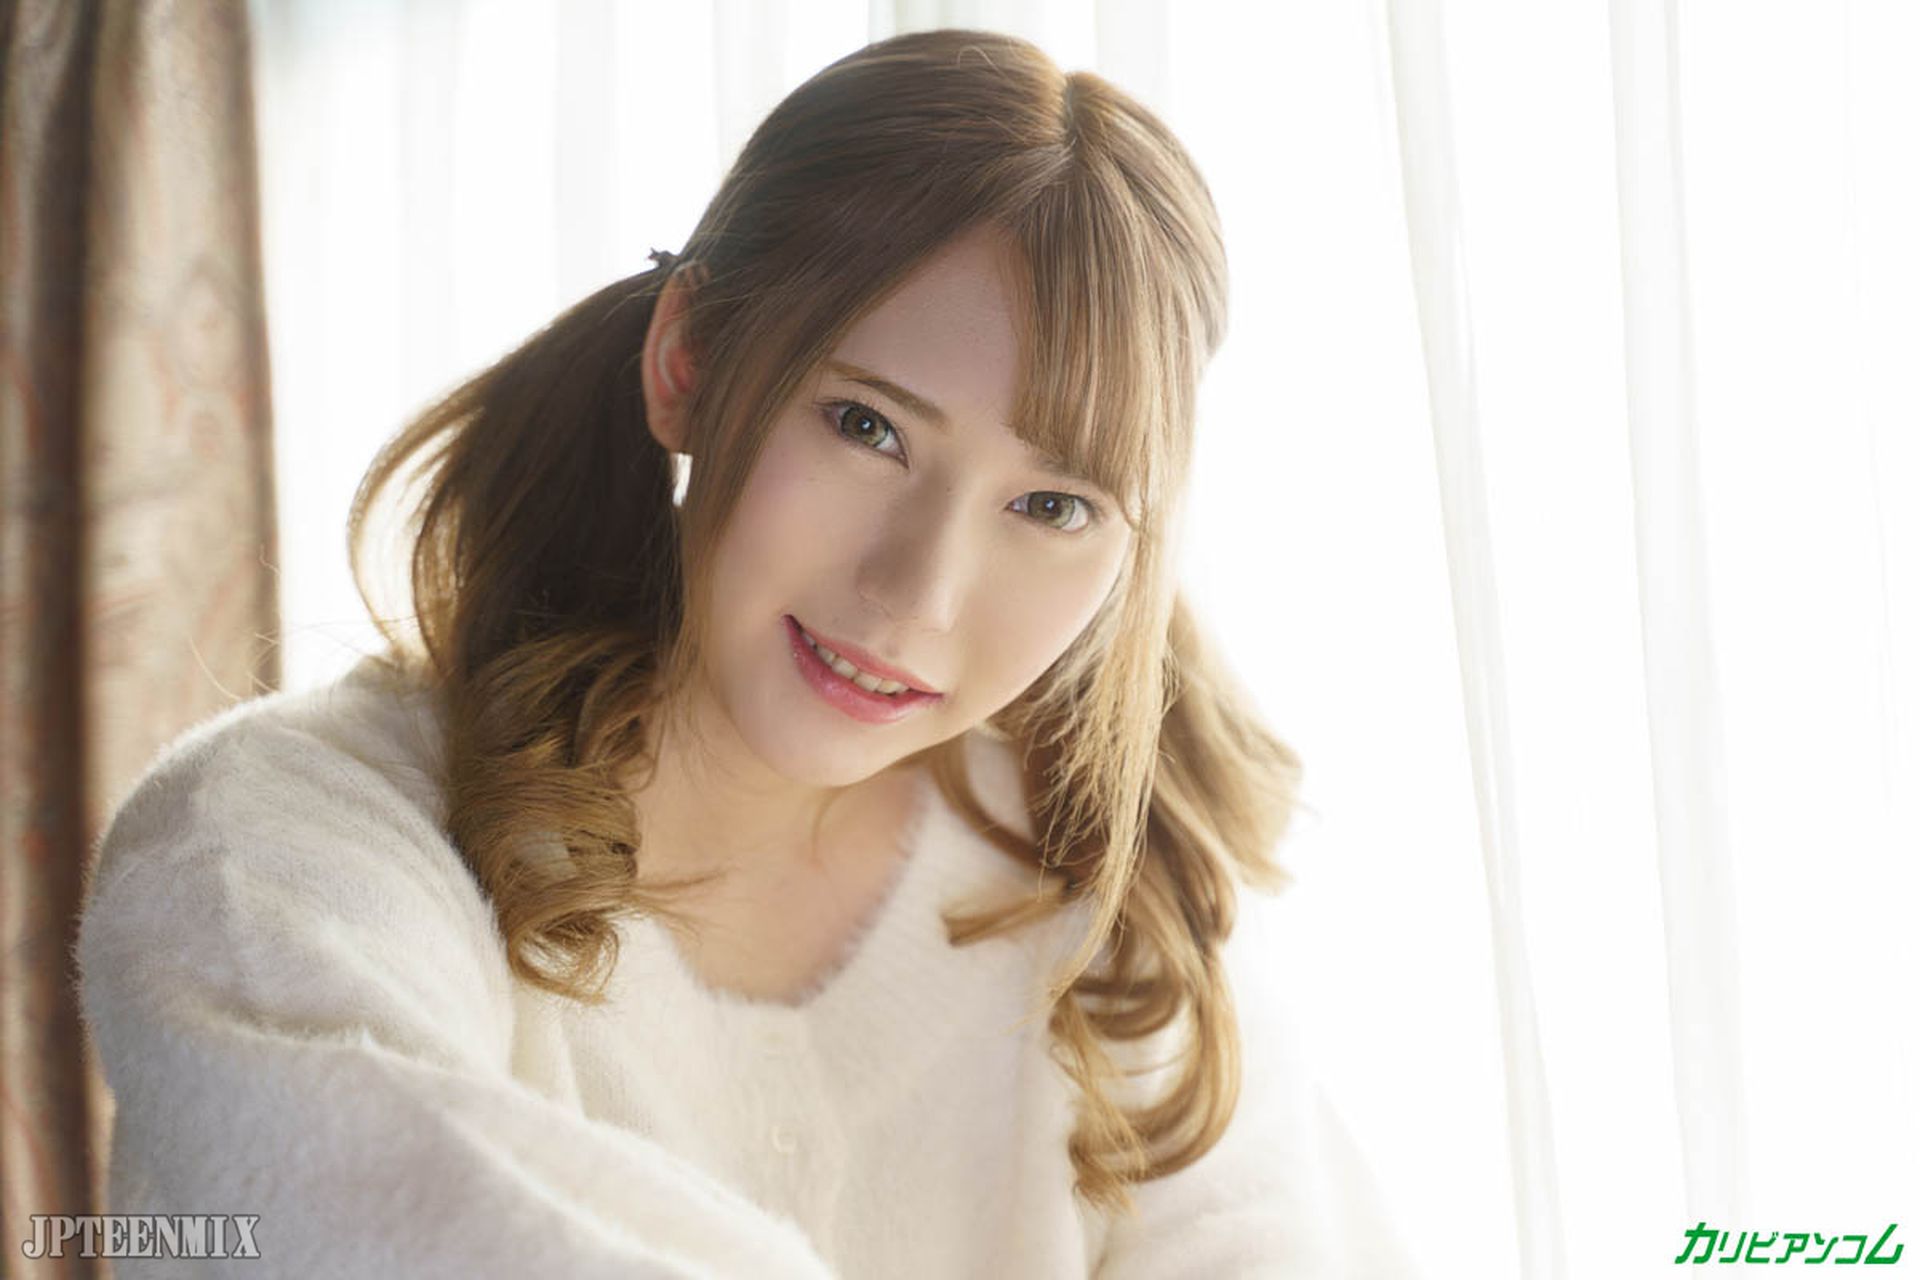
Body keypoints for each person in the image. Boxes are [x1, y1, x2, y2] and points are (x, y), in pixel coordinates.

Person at [75, 26, 1421, 1279]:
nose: (919, 595)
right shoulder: (285, 846)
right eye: (868, 428)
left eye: (1053, 507)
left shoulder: (1114, 902)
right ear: (691, 361)